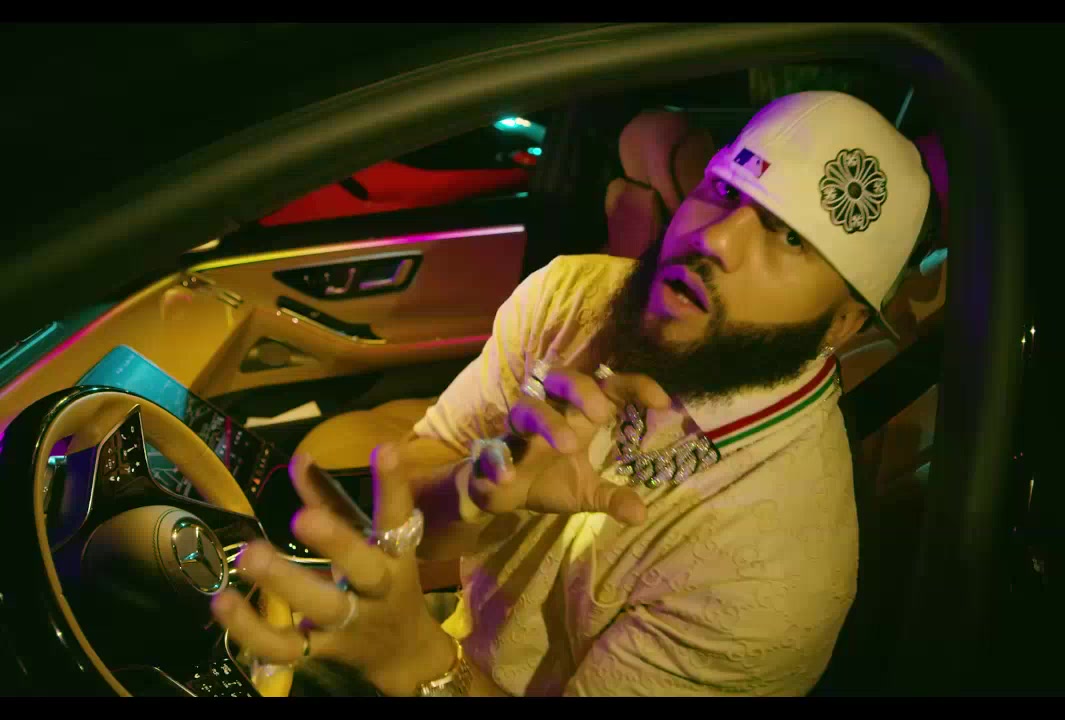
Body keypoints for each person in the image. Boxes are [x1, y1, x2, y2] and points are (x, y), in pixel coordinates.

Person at [212, 90, 935, 697]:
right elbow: (424, 494)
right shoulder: (578, 297)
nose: (716, 240)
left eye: (790, 239)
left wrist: (413, 659)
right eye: (725, 190)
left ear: (841, 323)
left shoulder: (778, 574)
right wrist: (472, 492)